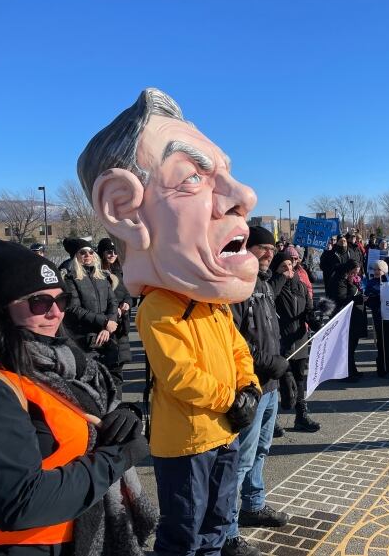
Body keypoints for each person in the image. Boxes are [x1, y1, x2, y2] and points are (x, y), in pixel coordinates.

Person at [79, 88, 262, 556]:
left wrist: (251, 388)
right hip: (186, 441)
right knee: (183, 531)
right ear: (122, 207)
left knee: (219, 523)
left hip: (222, 429)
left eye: (224, 172)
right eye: (193, 178)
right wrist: (231, 398)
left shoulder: (209, 302)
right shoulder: (161, 306)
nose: (243, 196)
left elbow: (237, 347)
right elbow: (179, 374)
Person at [0, 241, 154, 556]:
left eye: (62, 299)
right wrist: (115, 459)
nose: (55, 312)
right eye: (39, 302)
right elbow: (18, 502)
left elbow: (81, 413)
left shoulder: (50, 362)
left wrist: (123, 415)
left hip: (69, 538)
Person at [227, 227, 291, 556]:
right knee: (241, 459)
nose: (268, 253)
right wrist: (268, 364)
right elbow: (234, 342)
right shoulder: (236, 287)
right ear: (246, 249)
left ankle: (254, 504)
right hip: (250, 387)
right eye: (261, 248)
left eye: (271, 248)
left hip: (271, 387)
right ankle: (227, 530)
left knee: (262, 450)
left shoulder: (264, 282)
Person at [269, 250, 322, 431]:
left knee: (299, 380)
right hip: (280, 342)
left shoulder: (299, 286)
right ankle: (272, 421)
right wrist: (281, 277)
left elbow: (308, 309)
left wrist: (315, 321)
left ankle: (301, 416)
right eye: (284, 266)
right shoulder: (272, 285)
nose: (289, 268)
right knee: (276, 382)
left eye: (290, 265)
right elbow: (271, 297)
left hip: (299, 340)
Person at [61, 239, 122, 387]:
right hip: (85, 340)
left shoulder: (102, 276)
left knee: (114, 380)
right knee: (93, 382)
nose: (87, 255)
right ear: (75, 256)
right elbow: (74, 309)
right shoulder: (70, 279)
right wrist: (105, 322)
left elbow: (113, 302)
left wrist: (108, 326)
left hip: (108, 336)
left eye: (90, 252)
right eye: (82, 252)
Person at [98, 238, 135, 374]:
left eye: (115, 251)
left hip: (121, 326)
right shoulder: (97, 273)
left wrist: (127, 303)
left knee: (118, 367)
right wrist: (112, 314)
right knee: (105, 368)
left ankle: (116, 396)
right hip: (104, 323)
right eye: (109, 251)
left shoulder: (122, 270)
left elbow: (130, 293)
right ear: (102, 253)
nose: (113, 254)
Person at [326, 260, 367, 380]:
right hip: (344, 318)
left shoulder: (347, 279)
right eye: (354, 273)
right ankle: (346, 373)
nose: (356, 275)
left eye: (357, 273)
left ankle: (352, 370)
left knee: (351, 346)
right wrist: (359, 299)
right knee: (346, 346)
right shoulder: (339, 280)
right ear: (349, 270)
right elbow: (341, 299)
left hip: (353, 317)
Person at [365, 260, 389, 378]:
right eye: (375, 269)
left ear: (384, 271)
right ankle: (383, 369)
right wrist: (376, 299)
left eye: (379, 269)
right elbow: (368, 301)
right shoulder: (371, 283)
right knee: (383, 344)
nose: (376, 272)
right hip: (380, 317)